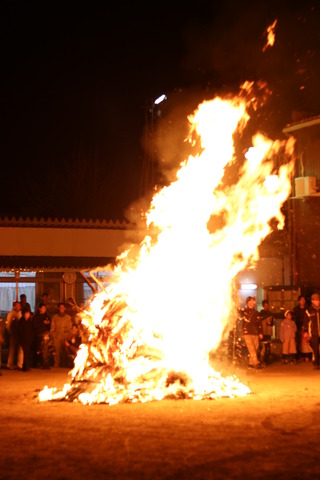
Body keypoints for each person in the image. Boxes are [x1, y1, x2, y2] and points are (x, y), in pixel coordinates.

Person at [241, 296, 263, 369]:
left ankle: (250, 363)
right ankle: (256, 363)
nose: (254, 302)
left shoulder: (256, 312)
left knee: (255, 349)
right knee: (251, 348)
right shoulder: (244, 312)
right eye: (252, 301)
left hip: (255, 333)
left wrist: (260, 332)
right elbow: (243, 323)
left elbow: (259, 323)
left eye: (254, 301)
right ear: (248, 302)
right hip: (247, 333)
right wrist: (243, 332)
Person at [50, 302, 72, 367]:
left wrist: (68, 337)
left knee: (65, 351)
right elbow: (52, 328)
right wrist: (54, 335)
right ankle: (57, 363)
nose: (61, 309)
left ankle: (64, 364)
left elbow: (70, 328)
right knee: (57, 351)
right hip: (57, 337)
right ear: (59, 308)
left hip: (65, 336)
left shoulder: (68, 318)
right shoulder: (55, 317)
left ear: (65, 308)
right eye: (60, 307)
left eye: (63, 307)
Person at [32, 303, 51, 368]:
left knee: (45, 349)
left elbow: (49, 326)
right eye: (43, 308)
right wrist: (42, 323)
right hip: (38, 335)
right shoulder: (36, 317)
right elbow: (34, 325)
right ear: (39, 309)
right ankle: (37, 363)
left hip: (46, 335)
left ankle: (45, 363)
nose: (44, 309)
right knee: (39, 349)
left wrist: (48, 323)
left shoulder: (47, 316)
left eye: (45, 308)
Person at [304, 293, 320, 370]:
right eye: (316, 300)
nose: (318, 301)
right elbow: (306, 322)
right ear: (312, 301)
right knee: (315, 348)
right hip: (314, 332)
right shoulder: (309, 310)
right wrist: (306, 332)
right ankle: (316, 363)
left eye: (319, 300)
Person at [6, 300, 24, 370]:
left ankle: (20, 364)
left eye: (19, 305)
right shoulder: (11, 314)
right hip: (13, 334)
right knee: (12, 349)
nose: (19, 307)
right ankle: (9, 364)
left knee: (20, 349)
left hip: (20, 334)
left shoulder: (21, 313)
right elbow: (8, 324)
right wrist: (10, 332)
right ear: (14, 306)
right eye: (18, 305)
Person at [17, 305, 34, 371]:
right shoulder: (21, 321)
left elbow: (31, 330)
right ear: (24, 314)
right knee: (25, 353)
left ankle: (25, 366)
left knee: (27, 353)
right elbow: (20, 332)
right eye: (27, 313)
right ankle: (25, 366)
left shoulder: (29, 321)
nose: (28, 314)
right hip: (23, 340)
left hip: (29, 339)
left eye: (29, 313)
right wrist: (21, 339)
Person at [259, 299, 274, 365]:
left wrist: (270, 323)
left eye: (267, 305)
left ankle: (266, 361)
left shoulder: (270, 314)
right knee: (260, 346)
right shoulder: (260, 314)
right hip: (262, 332)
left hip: (268, 333)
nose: (266, 306)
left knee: (268, 347)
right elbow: (258, 323)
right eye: (265, 305)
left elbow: (273, 323)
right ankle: (258, 360)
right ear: (263, 306)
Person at [293, 295, 307, 360]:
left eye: (304, 299)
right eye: (301, 300)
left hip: (305, 327)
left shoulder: (307, 309)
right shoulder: (296, 310)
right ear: (299, 301)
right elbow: (294, 319)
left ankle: (306, 356)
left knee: (306, 343)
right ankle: (300, 356)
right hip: (298, 327)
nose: (303, 301)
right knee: (299, 342)